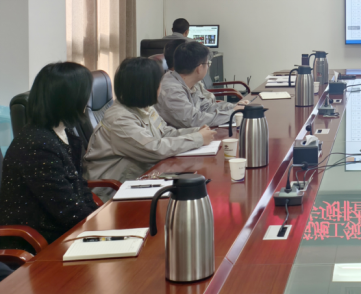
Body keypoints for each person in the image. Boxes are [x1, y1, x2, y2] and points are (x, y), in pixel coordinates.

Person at [0, 63, 99, 251]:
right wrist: (100, 226)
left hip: (64, 231)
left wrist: (97, 216)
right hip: (39, 243)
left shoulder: (63, 133)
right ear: (68, 99)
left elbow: (79, 187)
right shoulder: (36, 144)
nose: (87, 101)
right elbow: (66, 209)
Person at [85, 58, 214, 195]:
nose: (161, 87)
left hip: (143, 178)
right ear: (146, 87)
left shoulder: (144, 107)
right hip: (114, 192)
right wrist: (197, 138)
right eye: (159, 83)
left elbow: (165, 132)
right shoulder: (119, 119)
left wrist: (197, 131)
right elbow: (154, 149)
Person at [155, 42, 248, 128]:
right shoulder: (171, 90)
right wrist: (232, 114)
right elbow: (194, 120)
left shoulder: (189, 82)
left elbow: (207, 107)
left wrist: (234, 107)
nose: (208, 67)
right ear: (199, 69)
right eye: (208, 63)